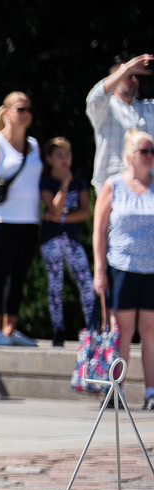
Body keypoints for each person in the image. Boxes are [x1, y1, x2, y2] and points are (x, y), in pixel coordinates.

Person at [0, 92, 42, 347]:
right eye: (21, 109)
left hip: (30, 220)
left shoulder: (34, 145)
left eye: (29, 110)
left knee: (20, 275)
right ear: (7, 113)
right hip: (2, 220)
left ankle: (10, 328)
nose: (26, 114)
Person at [93, 129, 154, 409]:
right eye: (144, 151)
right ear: (130, 156)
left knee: (150, 330)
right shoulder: (113, 185)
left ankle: (151, 393)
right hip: (122, 267)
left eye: (152, 151)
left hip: (151, 269)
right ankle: (116, 390)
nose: (150, 156)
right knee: (122, 331)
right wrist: (99, 269)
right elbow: (99, 230)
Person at [39, 137, 95, 346]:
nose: (65, 159)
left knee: (86, 283)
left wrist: (61, 218)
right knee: (55, 285)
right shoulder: (46, 183)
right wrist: (63, 183)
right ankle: (58, 330)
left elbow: (85, 213)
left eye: (68, 155)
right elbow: (53, 207)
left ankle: (92, 327)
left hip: (72, 240)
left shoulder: (79, 183)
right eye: (60, 155)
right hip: (51, 240)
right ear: (49, 159)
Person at [86, 55, 154, 189]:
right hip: (113, 185)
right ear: (117, 78)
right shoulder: (105, 109)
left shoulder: (149, 107)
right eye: (129, 76)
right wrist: (127, 68)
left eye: (136, 76)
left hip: (148, 187)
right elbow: (96, 96)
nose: (134, 79)